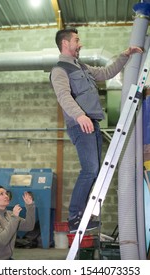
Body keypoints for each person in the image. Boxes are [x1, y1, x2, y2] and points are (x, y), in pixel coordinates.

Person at [50, 28, 143, 233]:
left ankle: (83, 213)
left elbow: (106, 73)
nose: (80, 44)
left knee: (95, 172)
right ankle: (75, 216)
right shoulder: (59, 70)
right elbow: (64, 96)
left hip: (92, 124)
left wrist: (124, 56)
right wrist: (80, 115)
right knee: (90, 170)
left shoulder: (81, 66)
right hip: (80, 124)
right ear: (65, 43)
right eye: (77, 40)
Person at [0, 185, 35, 260]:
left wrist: (30, 206)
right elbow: (2, 240)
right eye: (1, 194)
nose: (6, 196)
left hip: (7, 258)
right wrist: (15, 218)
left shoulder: (10, 215)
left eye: (6, 193)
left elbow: (29, 226)